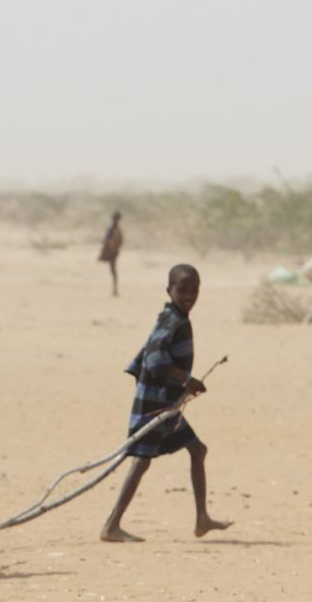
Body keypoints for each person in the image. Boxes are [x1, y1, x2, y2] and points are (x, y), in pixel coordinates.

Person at [100, 264, 231, 542]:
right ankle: (111, 525)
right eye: (182, 290)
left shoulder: (175, 317)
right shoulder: (173, 320)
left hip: (165, 404)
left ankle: (202, 518)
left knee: (197, 450)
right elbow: (154, 360)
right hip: (154, 405)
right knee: (141, 461)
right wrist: (186, 380)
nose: (189, 295)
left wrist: (182, 386)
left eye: (194, 290)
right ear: (169, 290)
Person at [98, 211, 124, 297]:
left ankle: (115, 289)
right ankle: (115, 289)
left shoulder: (114, 230)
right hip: (113, 252)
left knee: (113, 270)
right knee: (113, 270)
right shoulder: (114, 230)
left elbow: (110, 241)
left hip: (113, 252)